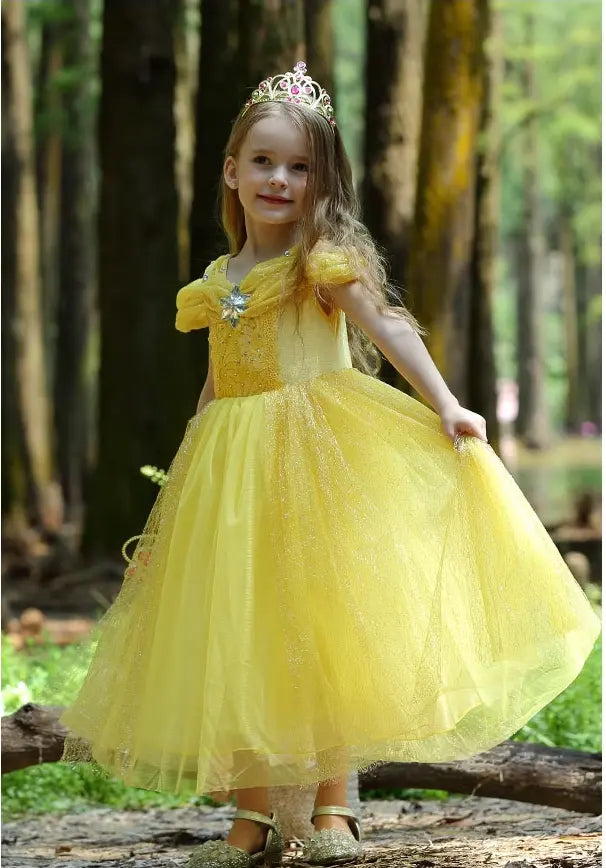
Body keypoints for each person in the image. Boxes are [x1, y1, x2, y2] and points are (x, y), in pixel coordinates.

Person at [59, 61, 601, 868]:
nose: (280, 178)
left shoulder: (321, 261)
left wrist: (446, 402)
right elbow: (216, 384)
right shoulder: (217, 283)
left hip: (318, 454)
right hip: (231, 470)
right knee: (242, 629)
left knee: (327, 622)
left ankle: (334, 807)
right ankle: (250, 819)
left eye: (300, 166)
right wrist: (183, 478)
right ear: (232, 173)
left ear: (321, 181)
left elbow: (388, 326)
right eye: (264, 162)